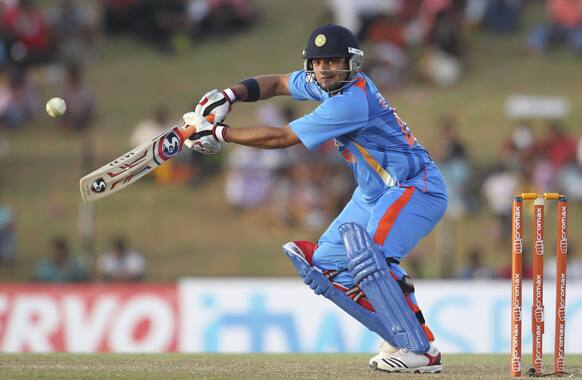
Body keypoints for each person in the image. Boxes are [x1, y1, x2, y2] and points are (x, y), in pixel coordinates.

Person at [183, 24, 448, 373]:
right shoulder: (323, 83)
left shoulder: (352, 100)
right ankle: (400, 334)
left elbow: (281, 138)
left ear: (351, 64)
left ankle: (421, 350)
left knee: (373, 260)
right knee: (326, 267)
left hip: (414, 186)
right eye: (318, 62)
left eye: (333, 62)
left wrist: (219, 132)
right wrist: (229, 96)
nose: (324, 69)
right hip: (372, 194)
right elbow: (276, 83)